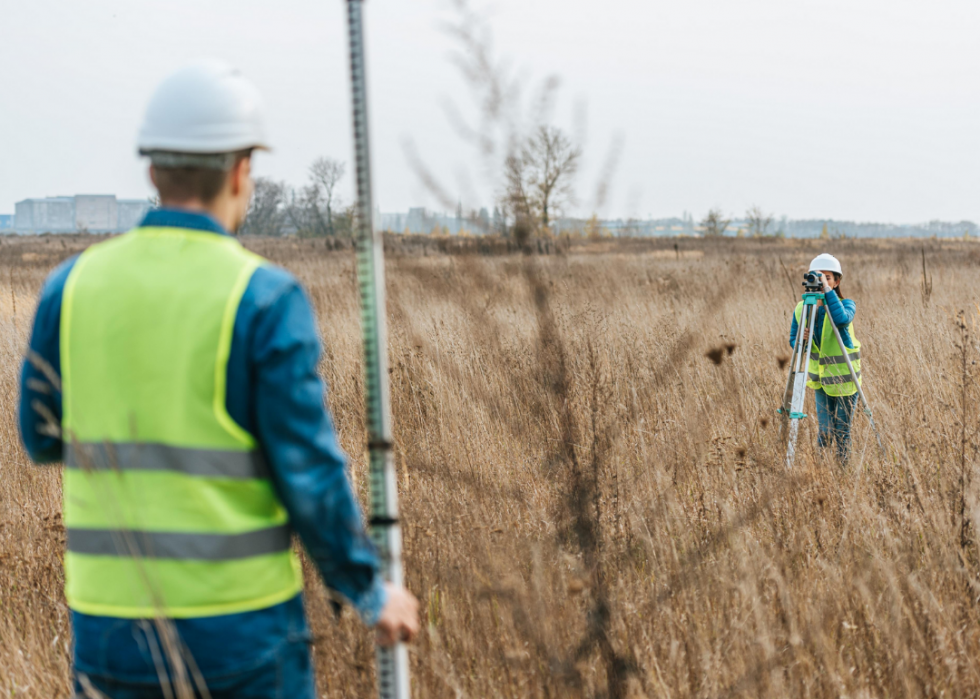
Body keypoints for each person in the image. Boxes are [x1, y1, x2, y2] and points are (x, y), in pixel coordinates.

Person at [18, 60, 419, 699]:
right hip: (241, 632)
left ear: (151, 171)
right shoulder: (262, 297)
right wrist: (367, 588)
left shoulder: (70, 287)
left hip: (108, 634)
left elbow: (40, 437)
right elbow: (308, 471)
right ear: (241, 172)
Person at [789, 253, 862, 465]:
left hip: (846, 380)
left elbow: (840, 319)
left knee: (842, 431)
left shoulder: (847, 304)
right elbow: (794, 342)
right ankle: (821, 471)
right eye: (818, 277)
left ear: (837, 281)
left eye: (827, 277)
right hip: (820, 380)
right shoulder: (803, 308)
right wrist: (801, 342)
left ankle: (842, 470)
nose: (822, 281)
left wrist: (827, 292)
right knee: (825, 432)